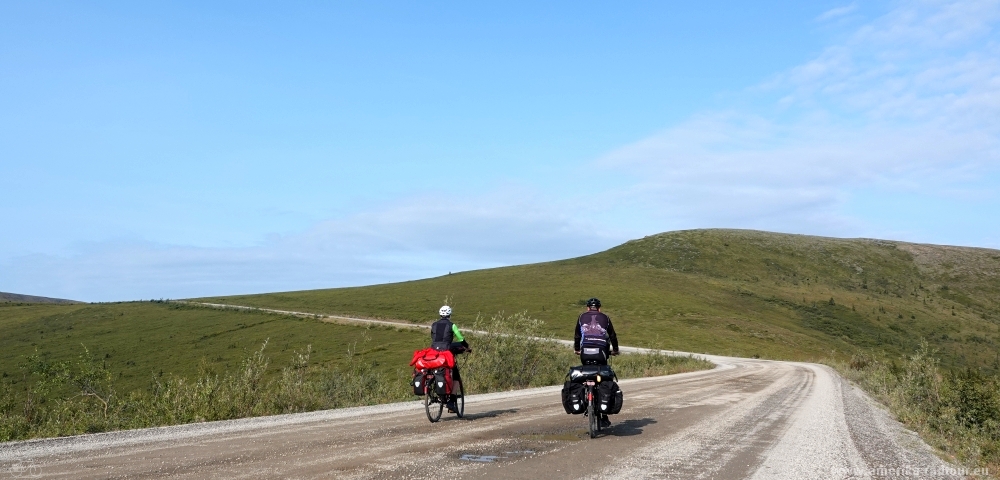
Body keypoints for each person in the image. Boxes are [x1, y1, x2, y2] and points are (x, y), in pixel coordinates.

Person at [573, 297, 619, 428]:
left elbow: (577, 335)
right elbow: (613, 336)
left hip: (585, 352)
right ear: (599, 308)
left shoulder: (582, 317)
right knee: (603, 375)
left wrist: (577, 349)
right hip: (601, 352)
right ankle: (603, 415)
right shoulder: (606, 317)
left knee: (586, 373)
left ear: (587, 308)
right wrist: (615, 350)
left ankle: (585, 395)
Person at [430, 305, 471, 412]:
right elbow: (461, 339)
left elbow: (434, 339)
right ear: (450, 314)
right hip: (446, 353)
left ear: (440, 314)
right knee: (456, 377)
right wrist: (467, 347)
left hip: (433, 353)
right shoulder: (452, 325)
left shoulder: (434, 325)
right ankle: (451, 401)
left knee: (434, 371)